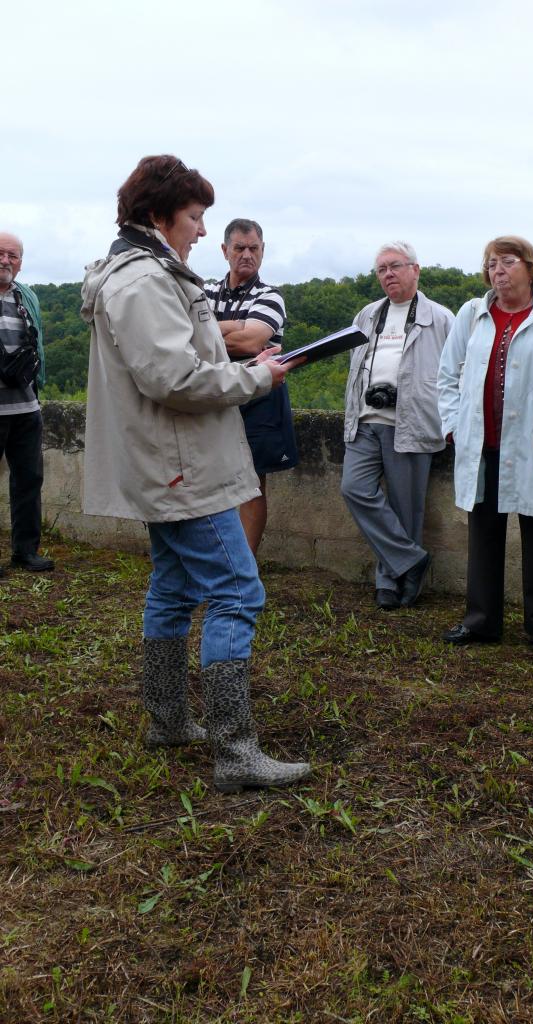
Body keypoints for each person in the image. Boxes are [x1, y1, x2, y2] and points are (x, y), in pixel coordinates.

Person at [80, 155, 310, 791]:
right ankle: (236, 752)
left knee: (175, 587)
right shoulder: (142, 282)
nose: (204, 231)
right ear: (159, 215)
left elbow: (177, 366)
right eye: (194, 217)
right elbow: (173, 379)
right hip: (181, 467)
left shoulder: (142, 273)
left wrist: (244, 367)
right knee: (238, 591)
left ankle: (171, 720)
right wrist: (257, 378)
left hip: (170, 461)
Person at [437, 236, 533, 653]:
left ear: (530, 268)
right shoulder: (472, 314)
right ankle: (481, 622)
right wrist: (454, 426)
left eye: (507, 262)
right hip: (482, 447)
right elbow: (446, 377)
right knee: (483, 538)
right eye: (492, 264)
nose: (498, 270)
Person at [341, 242, 455, 610]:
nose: (388, 274)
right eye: (381, 269)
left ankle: (391, 582)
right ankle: (412, 559)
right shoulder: (368, 315)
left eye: (395, 266)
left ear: (415, 270)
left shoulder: (441, 319)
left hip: (412, 421)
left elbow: (458, 371)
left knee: (407, 509)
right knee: (354, 489)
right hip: (364, 419)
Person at [204, 219, 298, 554]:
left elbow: (251, 342)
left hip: (259, 397)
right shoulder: (205, 291)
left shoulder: (270, 296)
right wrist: (238, 325)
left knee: (252, 483)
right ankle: (218, 560)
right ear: (224, 250)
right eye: (239, 248)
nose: (247, 255)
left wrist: (210, 332)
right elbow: (186, 335)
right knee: (209, 480)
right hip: (214, 392)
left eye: (254, 248)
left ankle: (244, 567)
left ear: (263, 250)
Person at [0, 232, 54, 576]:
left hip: (25, 407)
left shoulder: (26, 296)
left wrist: (37, 383)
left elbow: (39, 345)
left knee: (29, 481)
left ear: (20, 262)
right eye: (0, 253)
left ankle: (25, 551)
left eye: (13, 256)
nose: (5, 261)